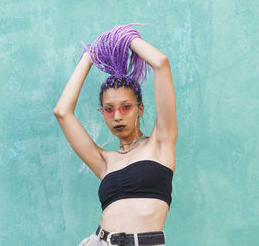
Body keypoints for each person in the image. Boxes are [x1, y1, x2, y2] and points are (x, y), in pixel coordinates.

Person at [53, 23, 177, 246]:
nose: (117, 116)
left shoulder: (160, 142)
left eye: (126, 107)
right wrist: (89, 56)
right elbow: (62, 112)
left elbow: (161, 64)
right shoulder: (104, 161)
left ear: (140, 109)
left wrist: (124, 37)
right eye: (109, 109)